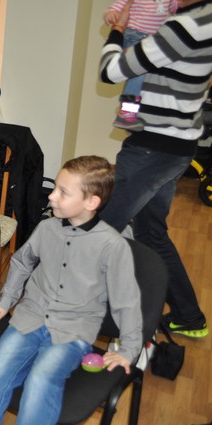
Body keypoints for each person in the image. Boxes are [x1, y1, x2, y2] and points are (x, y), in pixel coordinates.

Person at [0, 156, 142, 425]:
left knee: (41, 380)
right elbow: (22, 262)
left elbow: (126, 300)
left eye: (63, 192)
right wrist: (5, 301)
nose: (51, 196)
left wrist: (129, 349)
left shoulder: (112, 246)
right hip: (29, 318)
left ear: (91, 202)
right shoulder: (46, 228)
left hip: (73, 331)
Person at [99, 0, 211, 338]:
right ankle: (188, 316)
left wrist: (118, 30)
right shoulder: (201, 20)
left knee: (98, 229)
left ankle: (67, 313)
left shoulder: (187, 26)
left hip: (152, 149)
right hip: (174, 146)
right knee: (150, 233)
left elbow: (111, 71)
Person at [103, 0, 178, 130]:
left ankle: (139, 109)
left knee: (149, 77)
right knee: (138, 75)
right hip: (134, 34)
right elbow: (117, 6)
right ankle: (127, 111)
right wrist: (111, 14)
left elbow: (177, 7)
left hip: (152, 39)